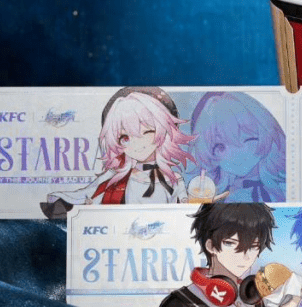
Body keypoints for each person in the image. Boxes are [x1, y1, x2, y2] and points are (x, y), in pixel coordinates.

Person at [40, 87, 195, 218]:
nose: (137, 144)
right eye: (125, 138)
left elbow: (184, 213)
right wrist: (89, 207)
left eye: (147, 132)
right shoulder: (115, 176)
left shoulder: (173, 180)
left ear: (164, 132)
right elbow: (82, 195)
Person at [154, 203, 302, 307]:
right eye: (231, 243)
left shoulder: (265, 301)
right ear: (211, 246)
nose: (245, 256)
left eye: (253, 247)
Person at [188, 92, 288, 203]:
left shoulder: (283, 186)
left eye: (247, 139)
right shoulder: (224, 196)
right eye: (220, 147)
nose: (234, 153)